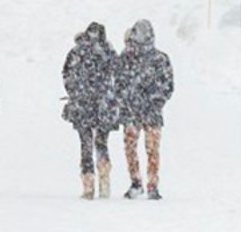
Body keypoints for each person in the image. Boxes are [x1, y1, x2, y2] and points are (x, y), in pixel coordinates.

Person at [114, 20, 173, 200]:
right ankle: (144, 183)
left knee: (140, 148)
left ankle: (144, 183)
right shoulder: (132, 58)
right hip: (143, 112)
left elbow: (167, 87)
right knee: (147, 149)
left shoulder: (156, 59)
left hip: (142, 111)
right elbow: (118, 83)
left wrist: (147, 101)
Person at [62, 22, 118, 200]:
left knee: (85, 145)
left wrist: (75, 93)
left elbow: (66, 75)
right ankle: (104, 181)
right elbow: (118, 77)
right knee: (102, 143)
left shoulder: (76, 52)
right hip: (104, 106)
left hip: (82, 105)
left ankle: (88, 185)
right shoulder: (108, 53)